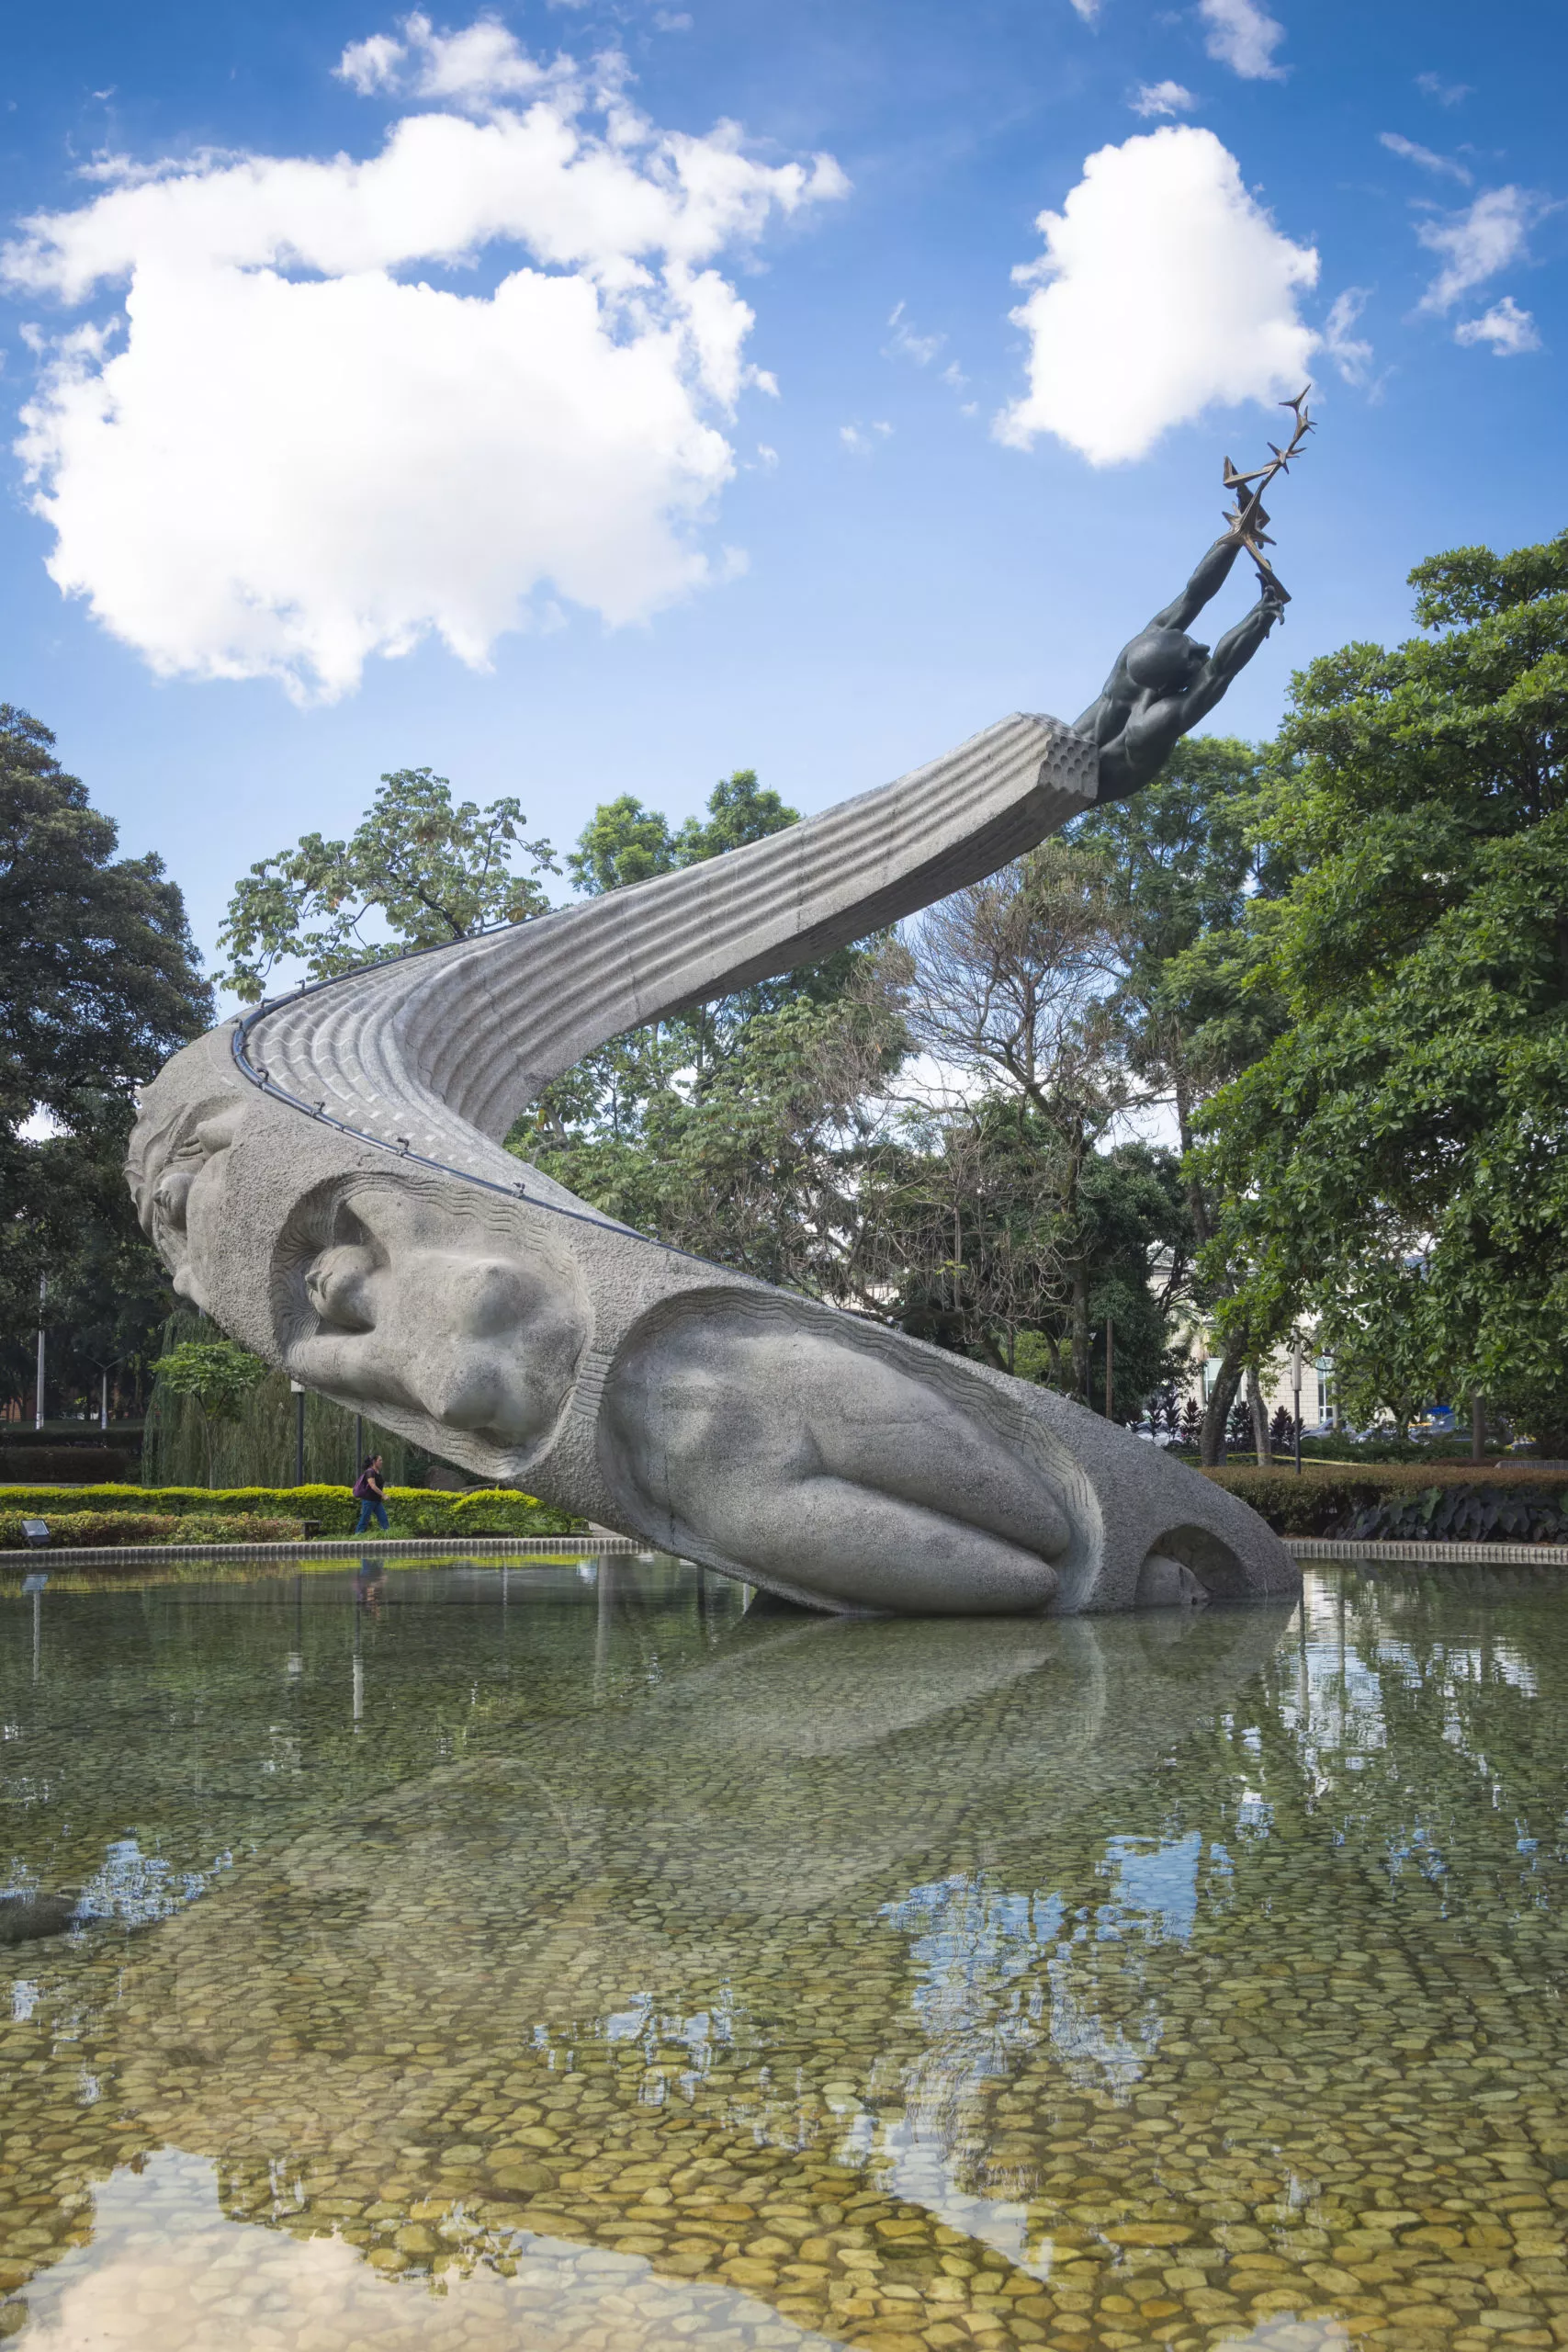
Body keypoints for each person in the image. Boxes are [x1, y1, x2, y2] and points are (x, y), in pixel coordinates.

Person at [1075, 529, 1286, 805]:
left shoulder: (1138, 656)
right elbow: (1221, 670)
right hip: (1080, 792)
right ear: (1173, 681)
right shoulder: (1149, 728)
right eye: (1194, 656)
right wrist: (1261, 616)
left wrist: (1234, 538)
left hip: (1076, 754)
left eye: (1187, 638)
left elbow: (1193, 596)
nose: (1204, 650)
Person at [352, 1452, 389, 1534]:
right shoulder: (370, 1472)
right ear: (374, 1462)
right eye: (380, 1460)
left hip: (377, 1501)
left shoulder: (377, 1472)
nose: (382, 1462)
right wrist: (383, 1495)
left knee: (383, 1518)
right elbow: (373, 1486)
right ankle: (357, 1536)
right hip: (369, 1501)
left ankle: (388, 1536)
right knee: (364, 1519)